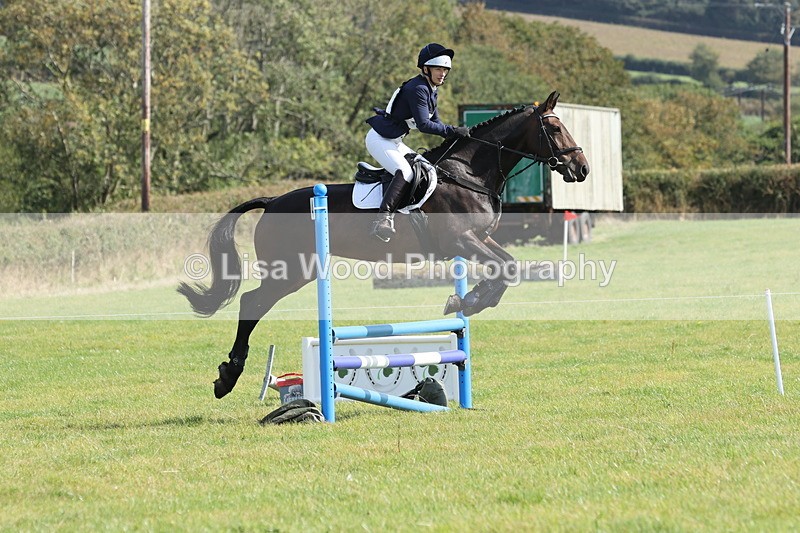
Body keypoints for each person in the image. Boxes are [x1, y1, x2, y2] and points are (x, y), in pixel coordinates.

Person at [365, 43, 470, 242]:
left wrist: (455, 138)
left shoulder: (431, 89)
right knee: (405, 172)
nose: (443, 74)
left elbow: (436, 122)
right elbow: (424, 124)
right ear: (426, 69)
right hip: (379, 139)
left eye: (445, 70)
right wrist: (453, 131)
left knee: (426, 169)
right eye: (439, 69)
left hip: (394, 140)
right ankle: (382, 219)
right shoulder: (418, 88)